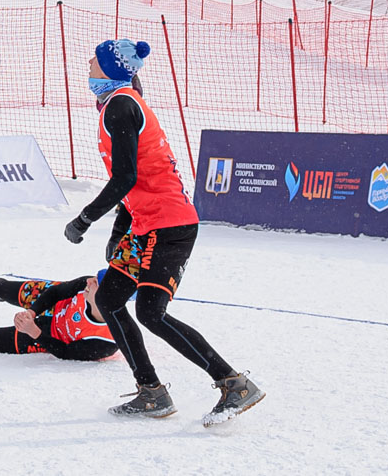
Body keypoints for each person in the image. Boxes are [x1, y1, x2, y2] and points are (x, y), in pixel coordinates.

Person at [61, 39, 262, 425]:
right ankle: (151, 392)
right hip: (146, 223)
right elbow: (136, 182)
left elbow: (125, 178)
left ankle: (232, 383)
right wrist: (122, 229)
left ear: (111, 69)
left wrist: (84, 219)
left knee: (151, 312)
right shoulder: (117, 102)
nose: (88, 62)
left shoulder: (121, 105)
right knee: (109, 299)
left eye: (96, 59)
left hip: (169, 225)